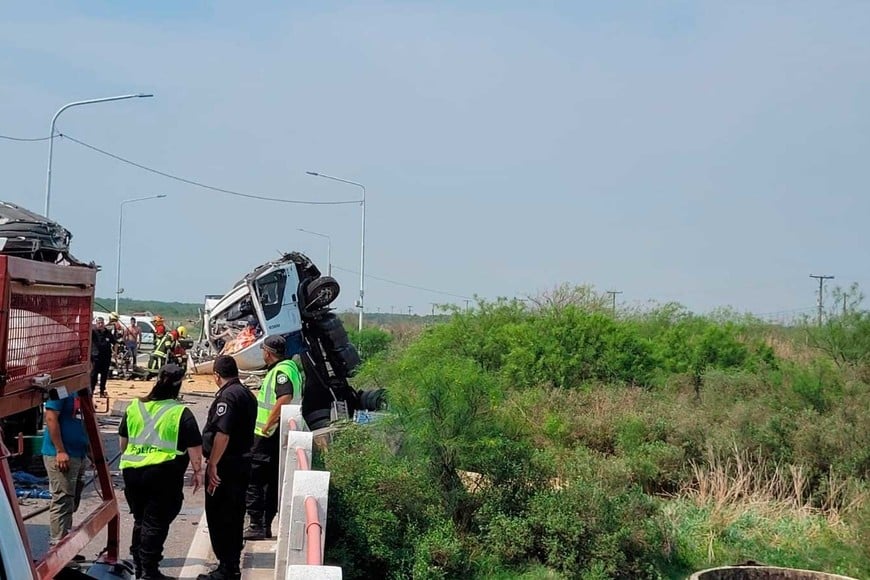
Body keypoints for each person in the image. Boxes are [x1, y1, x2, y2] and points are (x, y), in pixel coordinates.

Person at [119, 364, 204, 580]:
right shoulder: (179, 412)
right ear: (179, 384)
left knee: (141, 519)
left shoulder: (135, 407)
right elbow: (195, 447)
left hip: (133, 473)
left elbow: (123, 443)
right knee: (155, 522)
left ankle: (140, 565)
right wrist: (198, 471)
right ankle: (149, 570)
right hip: (163, 474)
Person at [199, 355, 257, 580]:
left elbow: (223, 434)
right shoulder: (245, 393)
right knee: (233, 514)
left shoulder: (228, 397)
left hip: (227, 466)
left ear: (216, 375)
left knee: (221, 516)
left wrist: (212, 464)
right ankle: (229, 565)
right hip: (241, 463)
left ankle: (227, 567)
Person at [244, 335, 302, 540]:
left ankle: (256, 524)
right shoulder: (290, 368)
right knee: (269, 481)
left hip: (267, 434)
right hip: (277, 434)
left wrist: (268, 423)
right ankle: (264, 525)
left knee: (255, 479)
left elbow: (284, 396)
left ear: (268, 352)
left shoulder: (281, 372)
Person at [42, 389, 89, 550]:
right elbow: (50, 417)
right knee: (63, 499)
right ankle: (58, 548)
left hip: (78, 453)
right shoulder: (62, 389)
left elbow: (83, 421)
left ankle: (65, 544)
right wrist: (60, 450)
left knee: (71, 501)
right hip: (63, 454)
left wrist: (89, 451)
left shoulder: (81, 390)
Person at [91, 317, 114, 397]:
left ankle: (102, 391)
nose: (100, 324)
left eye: (102, 323)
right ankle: (92, 391)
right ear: (96, 323)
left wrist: (115, 353)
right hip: (96, 358)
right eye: (99, 323)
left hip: (106, 357)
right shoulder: (93, 332)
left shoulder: (108, 332)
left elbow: (114, 342)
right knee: (94, 375)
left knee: (104, 375)